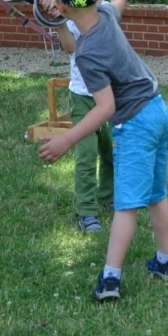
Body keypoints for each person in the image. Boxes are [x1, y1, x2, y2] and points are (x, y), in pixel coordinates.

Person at [34, 0, 168, 302]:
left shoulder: (87, 51)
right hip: (159, 110)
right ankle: (166, 261)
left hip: (136, 122)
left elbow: (106, 107)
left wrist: (67, 138)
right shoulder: (106, 15)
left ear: (63, 7)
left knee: (127, 205)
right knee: (156, 193)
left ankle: (111, 278)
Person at [54, 16, 115, 233]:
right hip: (82, 98)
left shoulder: (106, 13)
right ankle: (87, 211)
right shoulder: (72, 16)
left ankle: (108, 197)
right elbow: (70, 47)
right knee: (87, 155)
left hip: (108, 97)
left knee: (112, 152)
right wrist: (60, 23)